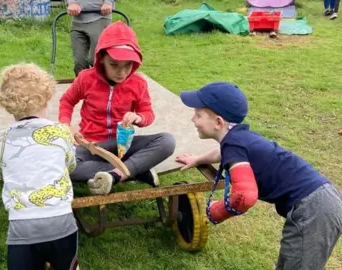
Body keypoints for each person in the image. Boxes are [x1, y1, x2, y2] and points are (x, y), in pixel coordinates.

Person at [175, 82, 342, 270]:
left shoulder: (235, 145)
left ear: (218, 122)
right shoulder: (238, 139)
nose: (193, 119)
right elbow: (222, 153)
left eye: (198, 115)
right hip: (320, 200)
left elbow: (244, 196)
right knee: (291, 262)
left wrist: (217, 211)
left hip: (314, 209)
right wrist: (198, 159)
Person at [59, 21, 176, 195]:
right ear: (102, 58)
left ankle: (117, 173)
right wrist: (65, 124)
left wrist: (139, 118)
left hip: (123, 146)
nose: (121, 72)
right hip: (91, 145)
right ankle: (133, 170)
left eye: (127, 65)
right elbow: (67, 101)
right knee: (65, 166)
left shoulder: (138, 83)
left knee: (167, 141)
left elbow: (147, 113)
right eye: (114, 64)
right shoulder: (86, 79)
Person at [0, 63, 79, 270]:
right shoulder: (61, 132)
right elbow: (71, 164)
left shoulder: (2, 138)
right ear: (46, 98)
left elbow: (0, 170)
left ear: (7, 104)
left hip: (22, 226)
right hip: (61, 221)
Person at [67, 0, 115, 76]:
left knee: (96, 60)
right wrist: (72, 3)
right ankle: (83, 85)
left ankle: (103, 85)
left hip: (99, 17)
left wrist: (108, 2)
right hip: (78, 20)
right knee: (79, 63)